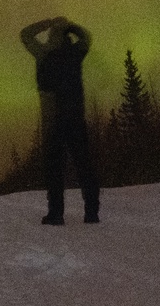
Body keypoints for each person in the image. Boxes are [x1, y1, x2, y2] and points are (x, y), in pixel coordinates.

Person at [20, 16, 100, 225]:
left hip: (53, 122)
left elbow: (25, 34)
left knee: (55, 169)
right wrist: (71, 25)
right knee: (84, 165)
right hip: (75, 119)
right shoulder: (75, 53)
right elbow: (87, 37)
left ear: (51, 36)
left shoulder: (43, 53)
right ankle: (92, 212)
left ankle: (56, 214)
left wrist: (47, 22)